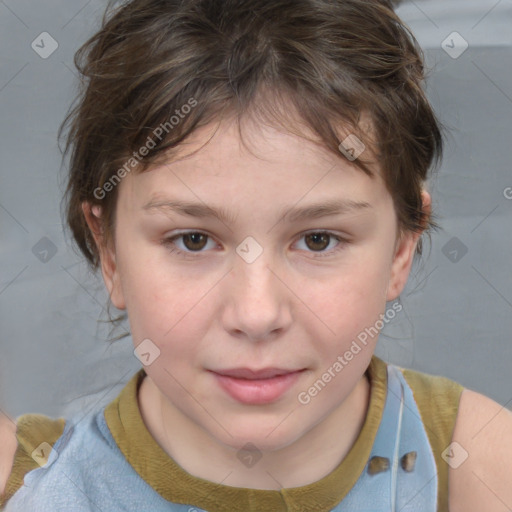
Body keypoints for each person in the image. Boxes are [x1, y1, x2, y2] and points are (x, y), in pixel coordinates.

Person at [1, 0, 511, 510]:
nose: (256, 314)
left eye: (318, 239)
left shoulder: (481, 465)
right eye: (193, 240)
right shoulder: (27, 485)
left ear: (401, 248)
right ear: (108, 250)